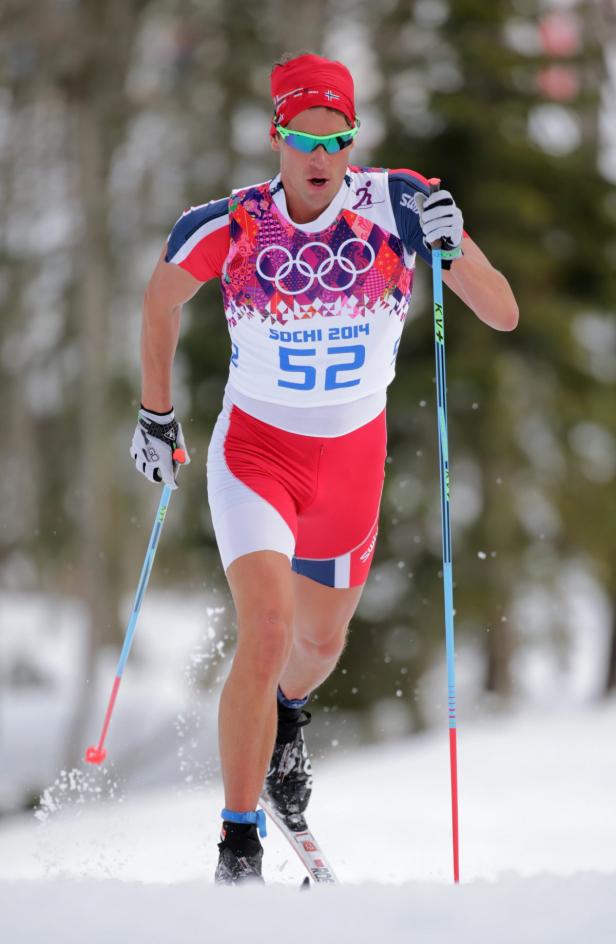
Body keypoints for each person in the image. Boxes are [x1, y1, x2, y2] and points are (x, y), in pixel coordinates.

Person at [131, 52, 518, 884]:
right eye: (304, 138)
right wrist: (156, 413)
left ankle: (285, 724)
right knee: (267, 629)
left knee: (320, 639)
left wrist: (455, 249)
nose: (319, 157)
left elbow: (503, 311)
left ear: (353, 143)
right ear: (277, 136)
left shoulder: (402, 206)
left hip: (352, 463)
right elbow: (160, 298)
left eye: (336, 140)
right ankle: (239, 846)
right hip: (256, 456)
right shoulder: (232, 224)